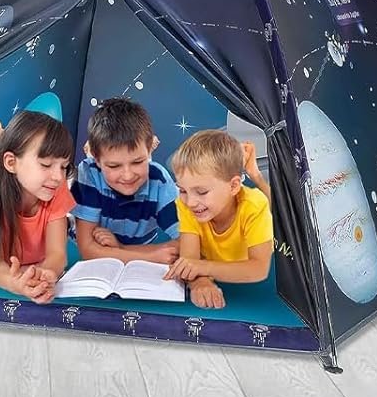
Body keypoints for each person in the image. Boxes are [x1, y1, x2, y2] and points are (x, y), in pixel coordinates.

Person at [0, 110, 74, 303]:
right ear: (11, 162)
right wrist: (14, 283)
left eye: (63, 166)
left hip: (31, 262)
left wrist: (45, 275)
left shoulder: (56, 189)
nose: (58, 177)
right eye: (46, 165)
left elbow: (57, 254)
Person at [164, 129, 273, 309]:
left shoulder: (254, 205)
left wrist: (203, 268)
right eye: (182, 190)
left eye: (202, 192)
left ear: (233, 186)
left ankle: (255, 173)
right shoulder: (186, 204)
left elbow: (259, 269)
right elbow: (190, 259)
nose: (190, 202)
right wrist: (200, 282)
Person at [70, 97, 181, 265]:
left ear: (150, 149)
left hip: (139, 247)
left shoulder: (159, 180)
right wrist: (150, 256)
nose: (128, 176)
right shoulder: (89, 173)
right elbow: (87, 249)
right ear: (96, 159)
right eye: (114, 166)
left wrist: (120, 248)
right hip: (84, 253)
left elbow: (185, 244)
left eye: (138, 162)